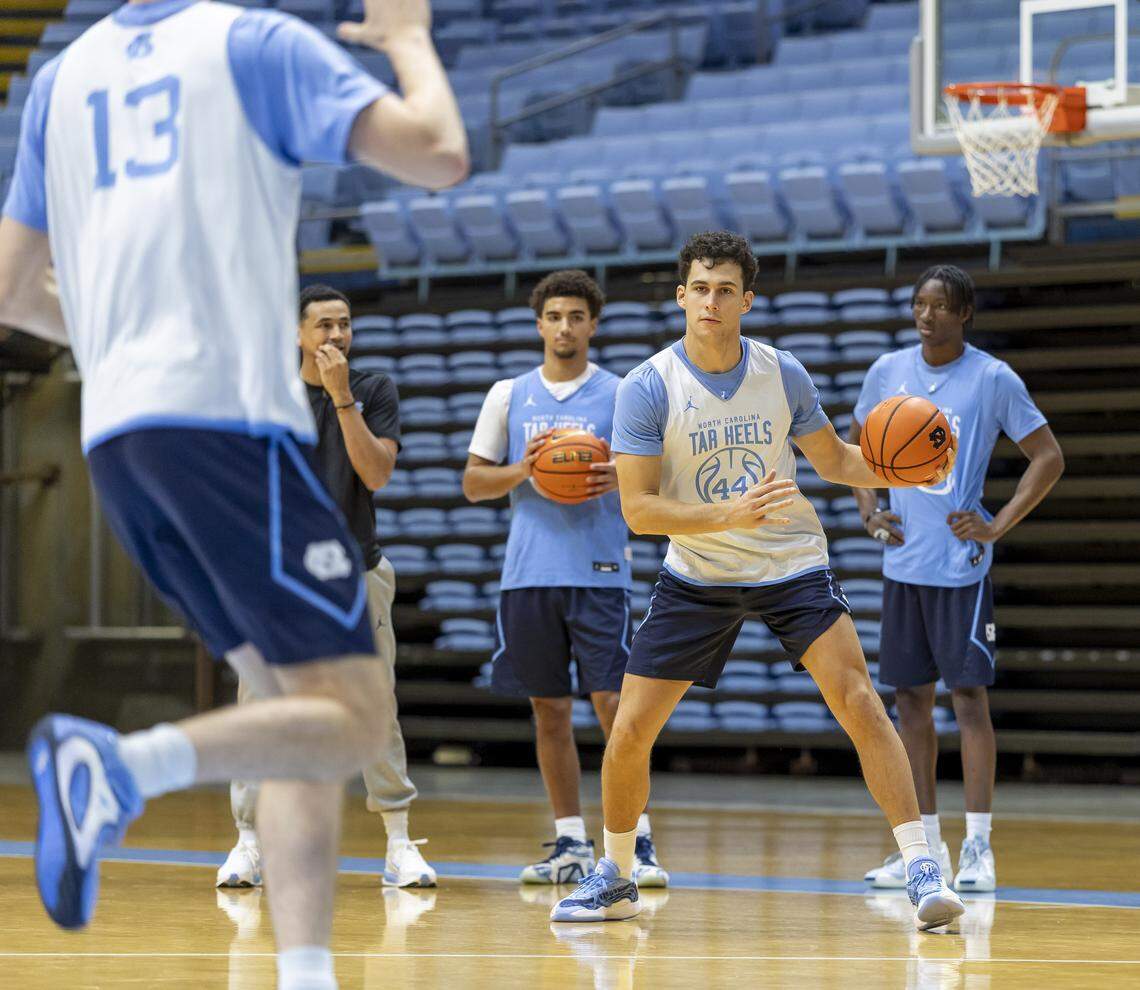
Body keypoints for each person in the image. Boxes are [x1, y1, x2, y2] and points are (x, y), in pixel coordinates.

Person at [0, 0, 466, 987]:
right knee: (352, 710)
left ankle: (304, 972)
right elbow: (437, 153)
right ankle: (118, 770)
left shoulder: (62, 76)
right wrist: (409, 40)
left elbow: (8, 288)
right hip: (224, 423)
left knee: (297, 706)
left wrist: (127, 347)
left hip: (120, 437)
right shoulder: (253, 44)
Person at [550, 231, 963, 932]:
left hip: (789, 563)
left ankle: (923, 864)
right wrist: (726, 514)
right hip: (697, 573)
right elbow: (638, 510)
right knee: (629, 729)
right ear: (682, 296)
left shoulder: (782, 372)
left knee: (860, 699)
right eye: (700, 288)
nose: (711, 301)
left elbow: (834, 461)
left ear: (748, 299)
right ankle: (616, 873)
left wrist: (902, 470)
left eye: (725, 289)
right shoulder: (650, 387)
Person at [217, 284, 435, 892]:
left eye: (344, 325)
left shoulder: (372, 390)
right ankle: (249, 842)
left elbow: (378, 473)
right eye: (323, 327)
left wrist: (343, 401)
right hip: (279, 577)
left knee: (374, 706)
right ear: (297, 335)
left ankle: (397, 844)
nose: (336, 337)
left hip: (357, 570)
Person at [854, 265, 1063, 894]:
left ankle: (978, 848)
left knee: (968, 701)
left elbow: (1048, 457)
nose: (927, 314)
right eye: (920, 303)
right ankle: (923, 849)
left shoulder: (992, 378)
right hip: (903, 566)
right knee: (910, 704)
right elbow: (861, 446)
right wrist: (870, 512)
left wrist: (997, 524)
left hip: (961, 569)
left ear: (965, 313)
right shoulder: (887, 372)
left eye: (941, 305)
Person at [462, 269, 668, 888]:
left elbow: (659, 480)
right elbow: (473, 483)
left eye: (576, 316)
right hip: (527, 575)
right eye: (554, 316)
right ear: (539, 324)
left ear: (593, 325)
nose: (564, 326)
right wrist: (525, 470)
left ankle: (638, 841)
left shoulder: (623, 392)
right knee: (548, 710)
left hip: (600, 571)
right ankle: (571, 842)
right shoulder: (508, 394)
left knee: (615, 708)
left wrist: (621, 478)